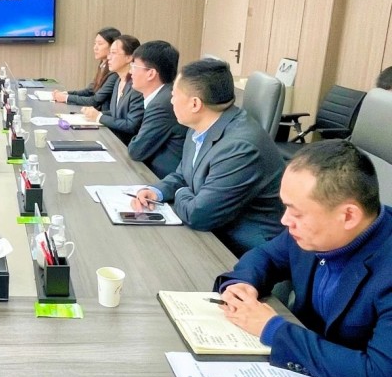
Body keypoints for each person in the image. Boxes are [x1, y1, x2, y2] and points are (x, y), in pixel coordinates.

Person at [215, 140, 392, 377]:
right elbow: (266, 256)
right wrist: (243, 284)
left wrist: (273, 330)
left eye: (296, 212)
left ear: (348, 216)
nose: (285, 220)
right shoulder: (315, 231)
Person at [133, 58, 285, 255]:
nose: (171, 101)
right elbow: (183, 175)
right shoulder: (201, 125)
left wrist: (180, 193)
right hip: (215, 227)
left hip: (242, 247)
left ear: (195, 104)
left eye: (174, 95)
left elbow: (199, 215)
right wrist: (156, 191)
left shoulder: (239, 147)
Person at [125, 40, 187, 178]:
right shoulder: (164, 95)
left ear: (151, 74)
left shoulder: (162, 104)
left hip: (161, 177)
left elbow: (136, 151)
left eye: (134, 66)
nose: (130, 72)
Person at [81, 34, 145, 144]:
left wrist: (99, 117)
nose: (108, 57)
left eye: (113, 53)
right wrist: (94, 113)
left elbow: (131, 125)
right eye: (109, 53)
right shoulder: (118, 80)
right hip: (112, 138)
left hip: (124, 145)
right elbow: (116, 113)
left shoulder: (136, 86)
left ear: (129, 57)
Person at [52, 27, 120, 107]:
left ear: (113, 46)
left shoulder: (114, 72)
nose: (95, 48)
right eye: (95, 44)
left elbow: (95, 100)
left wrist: (65, 98)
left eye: (100, 44)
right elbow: (89, 91)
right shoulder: (103, 65)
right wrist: (66, 94)